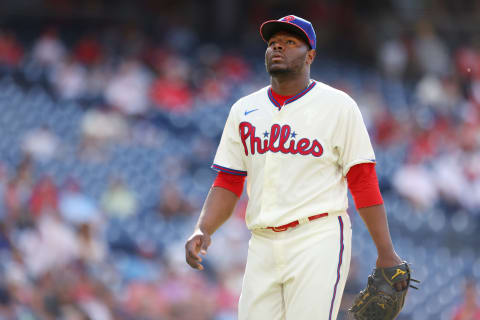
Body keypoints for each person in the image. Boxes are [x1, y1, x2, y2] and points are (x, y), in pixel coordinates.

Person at [185, 15, 406, 320]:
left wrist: (386, 251)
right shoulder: (244, 110)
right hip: (262, 242)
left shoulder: (339, 106)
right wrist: (203, 228)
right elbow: (229, 180)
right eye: (274, 43)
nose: (278, 47)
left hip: (317, 236)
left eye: (290, 42)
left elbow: (363, 181)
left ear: (310, 55)